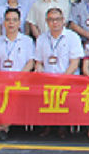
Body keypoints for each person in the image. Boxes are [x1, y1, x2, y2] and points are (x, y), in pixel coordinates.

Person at [0, 8, 35, 140]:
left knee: (12, 93)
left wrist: (19, 77)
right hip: (3, 80)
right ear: (4, 23)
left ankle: (3, 127)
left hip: (22, 79)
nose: (11, 23)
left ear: (19, 22)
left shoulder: (27, 41)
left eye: (14, 20)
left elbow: (31, 62)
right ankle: (1, 126)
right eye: (8, 20)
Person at [34, 7, 84, 138]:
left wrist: (63, 78)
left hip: (67, 77)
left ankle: (63, 126)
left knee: (63, 92)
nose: (54, 22)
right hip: (47, 78)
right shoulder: (41, 39)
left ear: (63, 20)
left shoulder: (72, 37)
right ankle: (47, 125)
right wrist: (39, 70)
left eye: (57, 19)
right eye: (51, 20)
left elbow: (75, 63)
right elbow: (38, 61)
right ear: (46, 21)